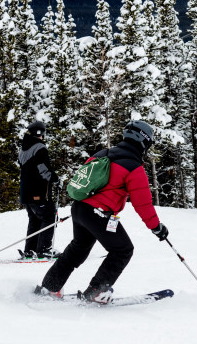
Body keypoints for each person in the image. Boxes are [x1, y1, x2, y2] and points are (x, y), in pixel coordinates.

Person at [35, 120, 169, 303]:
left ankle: (49, 287)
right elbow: (142, 204)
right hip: (98, 214)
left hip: (80, 208)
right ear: (144, 141)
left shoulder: (102, 154)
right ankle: (97, 291)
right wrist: (156, 227)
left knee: (78, 249)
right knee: (122, 250)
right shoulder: (134, 167)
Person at [19, 120, 60, 259]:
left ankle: (30, 249)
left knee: (35, 219)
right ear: (41, 133)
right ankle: (43, 248)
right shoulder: (40, 147)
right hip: (38, 191)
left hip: (26, 192)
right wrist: (55, 179)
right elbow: (43, 168)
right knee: (50, 216)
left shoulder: (24, 148)